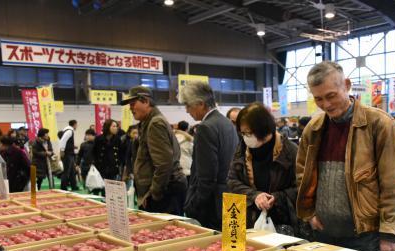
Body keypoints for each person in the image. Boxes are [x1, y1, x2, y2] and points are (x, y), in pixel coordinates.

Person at [296, 61, 395, 251]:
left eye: (331, 96)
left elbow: (393, 182)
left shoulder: (379, 124)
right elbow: (302, 173)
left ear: (346, 85)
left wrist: (389, 232)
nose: (326, 105)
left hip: (365, 236)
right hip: (323, 232)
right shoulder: (312, 129)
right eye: (318, 99)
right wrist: (309, 214)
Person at [228, 102, 298, 229]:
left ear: (264, 130)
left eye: (249, 133)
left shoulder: (290, 152)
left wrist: (276, 198)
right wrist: (254, 195)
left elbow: (301, 187)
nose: (245, 138)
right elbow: (232, 180)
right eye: (242, 133)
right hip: (247, 219)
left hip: (281, 223)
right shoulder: (242, 149)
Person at [181, 81, 239, 230]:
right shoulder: (227, 123)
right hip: (231, 197)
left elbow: (207, 175)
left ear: (200, 103)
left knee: (211, 250)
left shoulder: (205, 128)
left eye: (188, 105)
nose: (187, 110)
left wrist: (195, 205)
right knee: (231, 250)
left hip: (213, 205)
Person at [121, 86, 186, 214]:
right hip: (164, 190)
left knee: (166, 233)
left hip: (165, 193)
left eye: (133, 104)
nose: (130, 108)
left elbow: (164, 164)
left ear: (145, 101)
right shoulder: (148, 122)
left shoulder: (155, 123)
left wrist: (153, 193)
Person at [92, 119, 124, 194]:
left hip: (113, 167)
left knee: (110, 189)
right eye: (114, 126)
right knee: (99, 187)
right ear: (107, 127)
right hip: (100, 167)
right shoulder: (98, 139)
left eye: (116, 126)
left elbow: (121, 153)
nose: (116, 128)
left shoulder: (117, 139)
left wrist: (119, 163)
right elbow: (94, 152)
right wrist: (93, 163)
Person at [59, 120, 79, 191]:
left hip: (70, 153)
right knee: (67, 171)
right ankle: (63, 187)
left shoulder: (68, 130)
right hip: (67, 154)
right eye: (76, 124)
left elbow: (66, 142)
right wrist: (62, 150)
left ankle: (74, 186)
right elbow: (62, 140)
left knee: (72, 171)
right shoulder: (69, 131)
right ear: (74, 124)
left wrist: (73, 146)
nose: (77, 126)